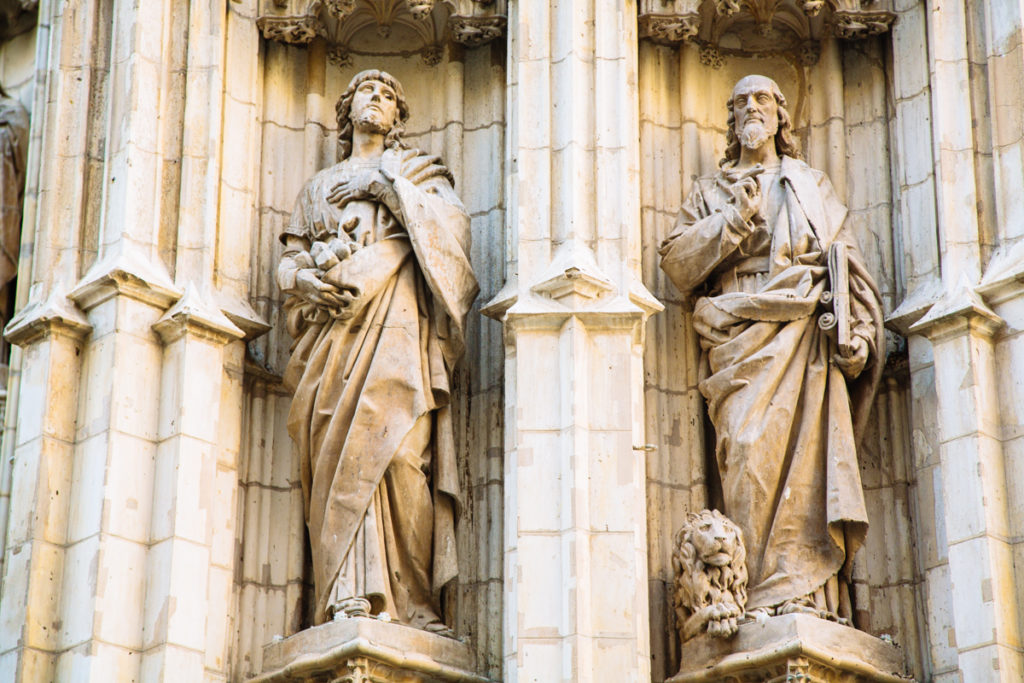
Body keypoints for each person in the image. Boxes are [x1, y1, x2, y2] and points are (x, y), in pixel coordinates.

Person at [659, 74, 885, 622]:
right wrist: (732, 221)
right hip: (738, 333)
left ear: (782, 115)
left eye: (761, 99)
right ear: (730, 120)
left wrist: (857, 333)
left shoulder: (809, 183)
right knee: (745, 451)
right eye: (739, 103)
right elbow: (676, 262)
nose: (750, 109)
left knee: (809, 466)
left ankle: (805, 596)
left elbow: (846, 264)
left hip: (805, 332)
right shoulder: (711, 191)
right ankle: (754, 588)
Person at [278, 69, 478, 632]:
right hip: (333, 342)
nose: (378, 98)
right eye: (368, 90)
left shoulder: (419, 175)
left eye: (389, 94)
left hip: (397, 333)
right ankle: (345, 596)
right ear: (347, 111)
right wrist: (303, 283)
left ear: (397, 118)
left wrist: (386, 190)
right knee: (337, 456)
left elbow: (455, 248)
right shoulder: (317, 187)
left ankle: (412, 602)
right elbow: (288, 262)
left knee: (401, 456)